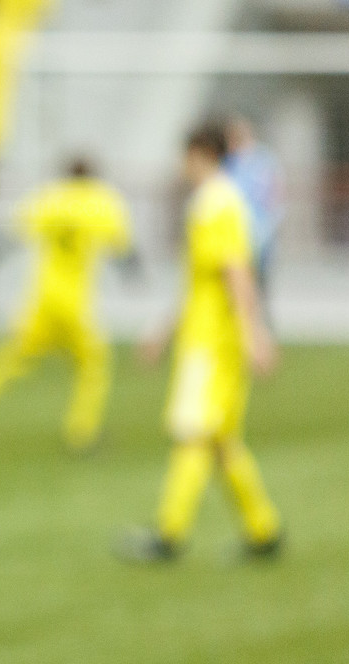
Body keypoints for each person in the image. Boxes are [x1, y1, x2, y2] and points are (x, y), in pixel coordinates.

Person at [117, 124, 283, 563]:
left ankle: (169, 534)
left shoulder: (215, 204)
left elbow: (236, 272)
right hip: (209, 338)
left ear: (199, 154)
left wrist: (254, 333)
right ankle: (263, 530)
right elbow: (202, 283)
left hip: (210, 345)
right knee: (221, 440)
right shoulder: (221, 202)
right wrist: (163, 332)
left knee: (191, 433)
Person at [0, 157, 134, 453]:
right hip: (75, 304)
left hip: (43, 300)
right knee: (94, 366)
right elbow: (123, 249)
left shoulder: (51, 198)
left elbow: (14, 232)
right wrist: (133, 274)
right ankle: (82, 432)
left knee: (14, 355)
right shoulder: (101, 203)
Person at [224, 115, 285, 305]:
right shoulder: (228, 162)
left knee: (258, 290)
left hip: (259, 234)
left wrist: (266, 230)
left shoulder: (263, 161)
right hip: (234, 236)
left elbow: (274, 199)